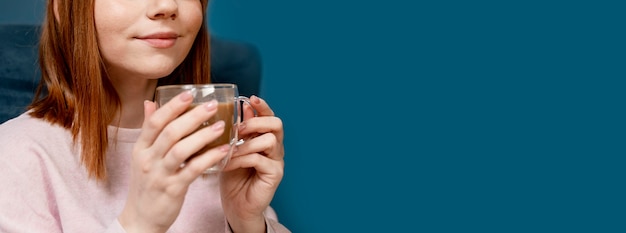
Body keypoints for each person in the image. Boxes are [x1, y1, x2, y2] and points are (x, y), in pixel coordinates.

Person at [0, 0, 290, 232]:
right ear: (65, 8)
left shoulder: (221, 145)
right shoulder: (14, 157)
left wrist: (248, 223)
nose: (166, 6)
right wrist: (140, 224)